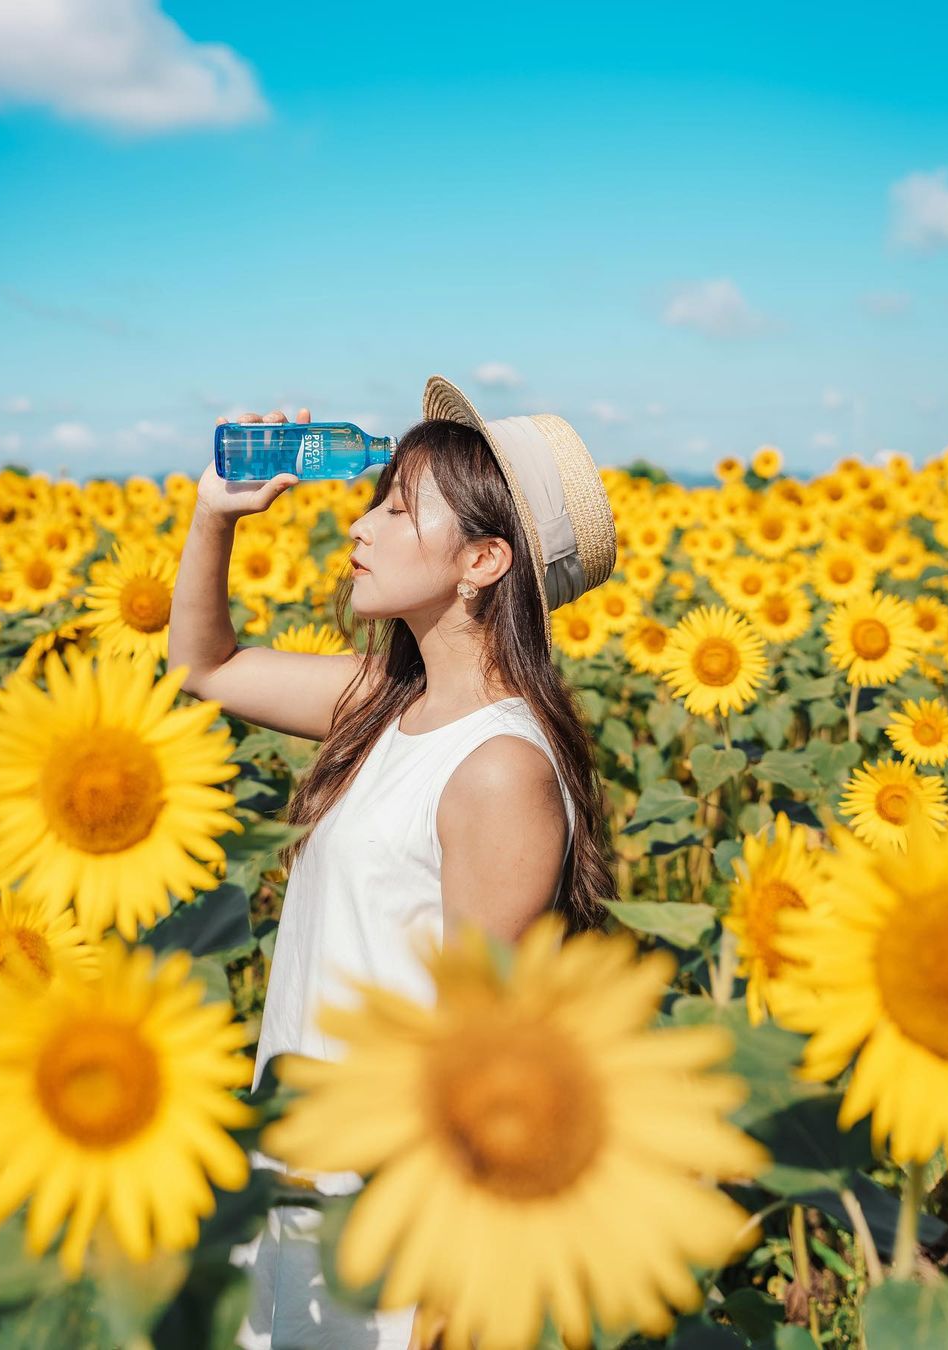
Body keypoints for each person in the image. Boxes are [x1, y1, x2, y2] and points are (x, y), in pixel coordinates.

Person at [167, 373, 619, 1349]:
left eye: (398, 508)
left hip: (392, 1218)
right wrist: (215, 514)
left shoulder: (500, 768)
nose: (360, 528)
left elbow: (483, 1053)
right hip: (306, 1173)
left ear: (483, 561)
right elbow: (205, 666)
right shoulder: (384, 702)